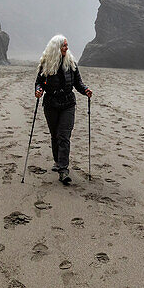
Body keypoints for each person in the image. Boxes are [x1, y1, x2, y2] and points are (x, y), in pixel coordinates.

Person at [34, 34, 92, 185]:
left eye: (67, 45)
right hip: (51, 103)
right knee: (55, 135)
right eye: (64, 45)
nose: (67, 47)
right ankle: (57, 161)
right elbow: (39, 82)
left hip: (68, 103)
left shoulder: (71, 63)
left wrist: (85, 90)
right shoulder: (46, 64)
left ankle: (63, 170)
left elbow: (78, 83)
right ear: (56, 48)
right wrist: (39, 90)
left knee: (63, 136)